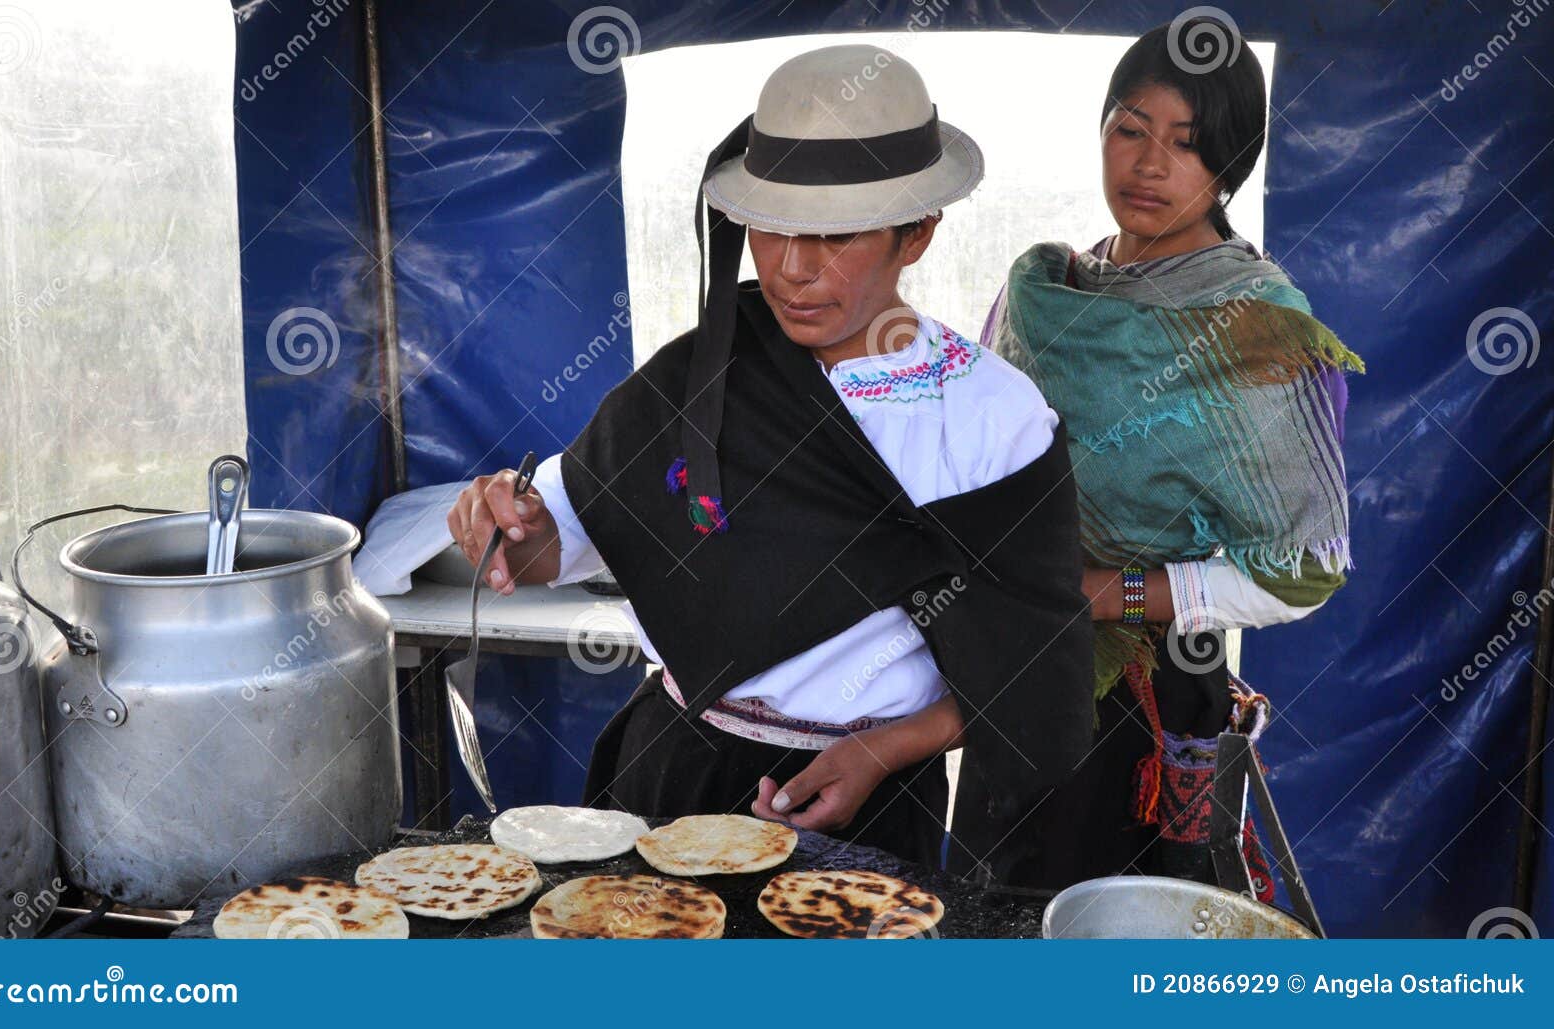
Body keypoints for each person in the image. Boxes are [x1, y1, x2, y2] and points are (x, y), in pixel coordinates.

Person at [448, 44, 1095, 877]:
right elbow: (547, 548)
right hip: (668, 775)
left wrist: (883, 749)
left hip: (864, 801)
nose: (791, 267)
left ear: (918, 233)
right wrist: (505, 517)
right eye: (773, 226)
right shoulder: (699, 374)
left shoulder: (989, 419)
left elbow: (1038, 664)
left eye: (832, 234)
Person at [980, 19, 1366, 895]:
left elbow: (1300, 570)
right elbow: (981, 467)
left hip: (1148, 706)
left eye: (1187, 144)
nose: (1149, 165)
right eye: (1130, 128)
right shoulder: (1047, 291)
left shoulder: (1254, 327)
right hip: (1018, 675)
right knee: (997, 922)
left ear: (1229, 164)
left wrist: (1108, 591)